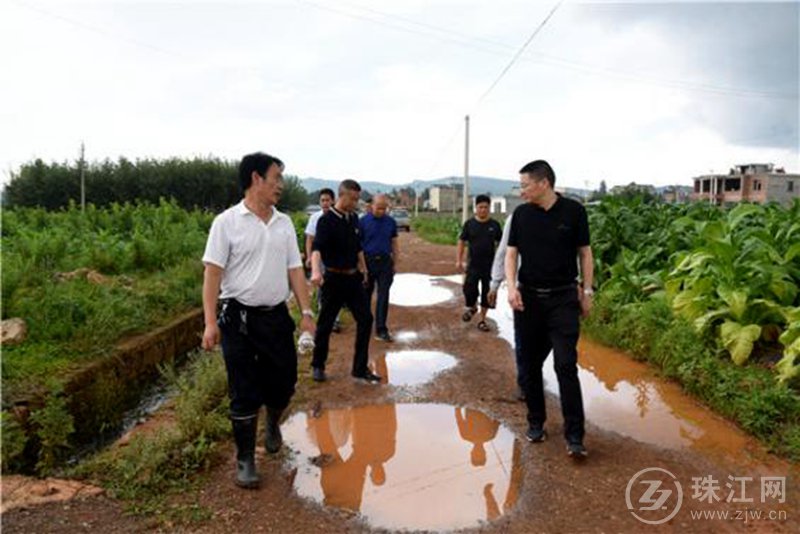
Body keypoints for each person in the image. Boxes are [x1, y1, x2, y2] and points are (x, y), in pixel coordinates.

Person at [201, 151, 316, 489]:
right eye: (276, 177)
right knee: (243, 388)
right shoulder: (226, 222)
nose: (280, 184)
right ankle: (246, 459)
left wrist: (306, 313)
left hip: (276, 317)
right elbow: (212, 274)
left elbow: (296, 270)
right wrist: (210, 323)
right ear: (256, 179)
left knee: (284, 383)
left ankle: (273, 420)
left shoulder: (283, 224)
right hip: (237, 317)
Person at [505, 160, 594, 459]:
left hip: (563, 299)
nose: (521, 190)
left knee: (565, 365)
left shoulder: (574, 211)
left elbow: (585, 253)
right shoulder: (521, 214)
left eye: (525, 184)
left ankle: (575, 436)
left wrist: (588, 290)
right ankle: (536, 423)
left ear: (543, 183)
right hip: (529, 300)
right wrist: (511, 286)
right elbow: (511, 253)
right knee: (529, 366)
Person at [310, 179, 381, 384]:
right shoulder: (326, 221)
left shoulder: (353, 219)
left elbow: (358, 248)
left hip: (353, 279)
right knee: (325, 323)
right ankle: (318, 364)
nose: (356, 202)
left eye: (358, 199)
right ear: (343, 195)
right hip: (333, 278)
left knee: (366, 319)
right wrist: (316, 271)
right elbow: (316, 249)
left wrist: (364, 269)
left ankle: (359, 369)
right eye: (354, 198)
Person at [487, 184, 530, 401]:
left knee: (560, 351)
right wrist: (495, 284)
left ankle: (532, 376)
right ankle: (526, 383)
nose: (522, 192)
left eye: (525, 186)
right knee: (523, 339)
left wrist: (582, 287)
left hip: (560, 293)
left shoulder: (568, 215)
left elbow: (577, 255)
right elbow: (504, 253)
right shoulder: (517, 218)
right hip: (523, 290)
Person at [456, 194, 502, 332]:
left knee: (488, 294)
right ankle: (473, 307)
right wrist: (459, 260)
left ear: (489, 208)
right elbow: (461, 241)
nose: (483, 210)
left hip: (490, 267)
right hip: (473, 265)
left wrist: (501, 264)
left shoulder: (495, 225)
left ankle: (482, 320)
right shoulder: (469, 224)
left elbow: (502, 244)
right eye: (480, 207)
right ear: (476, 208)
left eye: (486, 207)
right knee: (469, 290)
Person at [359, 193, 399, 342]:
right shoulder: (362, 222)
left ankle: (381, 329)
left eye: (384, 208)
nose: (381, 211)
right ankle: (364, 325)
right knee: (366, 296)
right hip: (367, 262)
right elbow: (358, 247)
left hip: (385, 263)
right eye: (379, 208)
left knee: (383, 295)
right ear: (371, 206)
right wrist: (361, 266)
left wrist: (395, 262)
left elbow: (394, 242)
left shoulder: (390, 222)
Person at [305, 188, 341, 333]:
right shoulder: (315, 218)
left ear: (333, 201)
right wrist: (309, 257)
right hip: (319, 259)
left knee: (336, 289)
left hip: (335, 260)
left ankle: (335, 320)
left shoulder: (339, 217)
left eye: (328, 200)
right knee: (322, 288)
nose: (325, 203)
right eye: (322, 200)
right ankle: (324, 317)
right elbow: (310, 239)